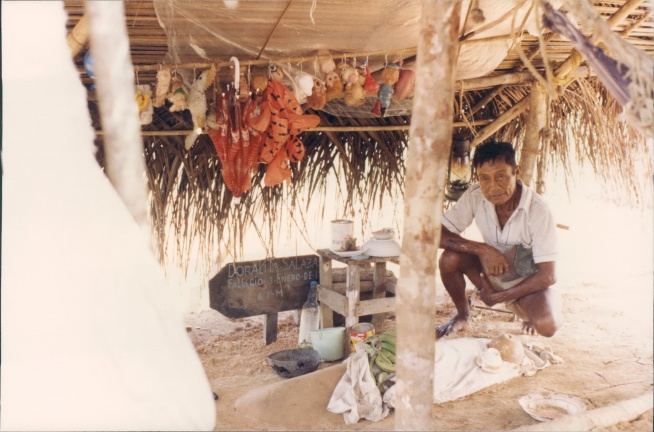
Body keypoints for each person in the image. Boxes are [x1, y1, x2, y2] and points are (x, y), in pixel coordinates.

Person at [436, 141, 563, 338]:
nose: (493, 187)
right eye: (484, 179)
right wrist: (483, 249)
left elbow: (548, 275)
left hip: (529, 284)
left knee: (546, 325)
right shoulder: (475, 195)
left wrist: (501, 297)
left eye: (501, 176)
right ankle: (463, 315)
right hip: (492, 274)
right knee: (449, 259)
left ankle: (540, 306)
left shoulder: (538, 210)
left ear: (517, 172)